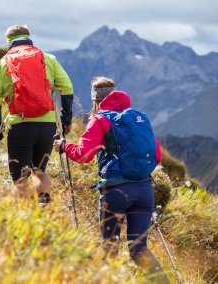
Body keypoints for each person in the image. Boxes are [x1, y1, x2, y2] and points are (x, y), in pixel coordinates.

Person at [53, 77, 170, 282]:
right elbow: (157, 156)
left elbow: (83, 155)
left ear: (96, 101)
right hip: (144, 191)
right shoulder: (138, 119)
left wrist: (64, 146)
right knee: (138, 249)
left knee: (110, 247)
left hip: (116, 191)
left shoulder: (101, 119)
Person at [0, 24, 74, 205]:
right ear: (29, 38)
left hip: (20, 124)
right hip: (47, 124)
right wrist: (66, 119)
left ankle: (20, 216)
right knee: (39, 170)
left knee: (20, 177)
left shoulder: (3, 63)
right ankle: (44, 207)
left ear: (9, 42)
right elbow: (66, 87)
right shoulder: (48, 58)